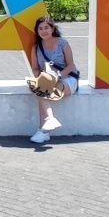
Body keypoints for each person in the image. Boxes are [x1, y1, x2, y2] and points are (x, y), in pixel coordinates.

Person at [29, 16, 79, 144]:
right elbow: (35, 68)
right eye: (40, 28)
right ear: (37, 31)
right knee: (41, 86)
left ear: (52, 28)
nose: (44, 31)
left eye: (46, 27)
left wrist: (58, 76)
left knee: (42, 91)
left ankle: (43, 130)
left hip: (67, 79)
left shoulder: (63, 43)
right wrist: (40, 78)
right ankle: (48, 123)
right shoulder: (36, 47)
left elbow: (71, 65)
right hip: (47, 79)